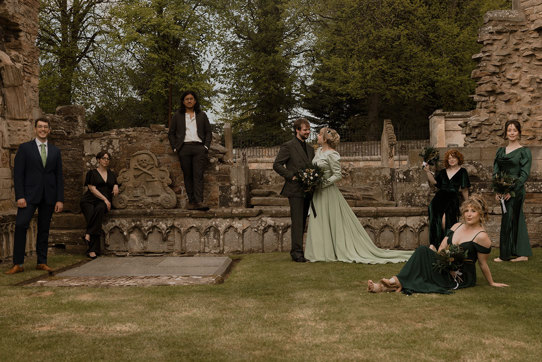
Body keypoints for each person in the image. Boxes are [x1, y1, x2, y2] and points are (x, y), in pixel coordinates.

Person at [305, 127, 413, 263]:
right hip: (317, 193)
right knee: (319, 221)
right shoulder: (318, 151)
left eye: (320, 134)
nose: (317, 137)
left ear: (325, 138)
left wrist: (322, 183)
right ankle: (319, 253)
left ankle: (332, 251)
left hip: (327, 192)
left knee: (330, 220)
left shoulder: (333, 154)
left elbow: (337, 175)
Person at [367, 195, 509, 294]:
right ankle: (385, 285)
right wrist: (437, 257)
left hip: (460, 276)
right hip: (446, 267)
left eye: (473, 211)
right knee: (423, 251)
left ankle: (390, 283)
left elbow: (483, 264)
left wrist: (491, 282)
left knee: (422, 260)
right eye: (466, 211)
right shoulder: (456, 226)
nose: (469, 214)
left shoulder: (482, 237)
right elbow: (442, 248)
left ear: (481, 214)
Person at [5, 117, 64, 275]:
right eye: (40, 127)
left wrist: (59, 199)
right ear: (35, 129)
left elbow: (59, 176)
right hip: (28, 196)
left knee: (44, 229)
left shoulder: (55, 151)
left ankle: (42, 262)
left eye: (46, 127)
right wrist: (20, 196)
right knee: (20, 225)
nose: (43, 129)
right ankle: (18, 263)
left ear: (49, 130)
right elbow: (18, 174)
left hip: (49, 196)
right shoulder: (25, 148)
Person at [273, 118, 315, 262]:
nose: (308, 132)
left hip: (308, 189)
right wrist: (291, 176)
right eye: (305, 130)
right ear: (297, 130)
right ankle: (296, 253)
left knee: (303, 222)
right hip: (295, 189)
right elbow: (277, 165)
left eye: (309, 129)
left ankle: (302, 251)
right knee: (297, 222)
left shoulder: (310, 149)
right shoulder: (288, 146)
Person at [493, 120, 532, 262]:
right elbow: (495, 172)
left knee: (510, 218)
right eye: (509, 130)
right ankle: (521, 253)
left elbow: (524, 174)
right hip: (502, 190)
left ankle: (505, 255)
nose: (512, 133)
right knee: (511, 217)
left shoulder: (524, 152)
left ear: (519, 132)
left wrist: (512, 190)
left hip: (516, 190)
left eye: (514, 130)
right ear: (505, 133)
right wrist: (498, 190)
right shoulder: (500, 151)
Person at [168, 91, 212, 211]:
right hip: (184, 148)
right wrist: (175, 147)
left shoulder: (202, 115)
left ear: (195, 101)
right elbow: (171, 133)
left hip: (199, 148)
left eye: (191, 98)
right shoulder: (178, 115)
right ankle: (191, 202)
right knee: (188, 176)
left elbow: (208, 132)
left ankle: (199, 202)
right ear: (183, 102)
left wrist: (206, 147)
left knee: (198, 175)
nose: (189, 101)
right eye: (186, 99)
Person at [424, 149, 470, 249]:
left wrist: (468, 203)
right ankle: (433, 245)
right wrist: (427, 172)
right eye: (449, 158)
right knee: (435, 221)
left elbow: (464, 189)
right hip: (438, 199)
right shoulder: (443, 171)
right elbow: (435, 183)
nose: (451, 160)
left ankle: (446, 244)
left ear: (458, 159)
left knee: (446, 222)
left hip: (452, 200)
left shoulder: (462, 172)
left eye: (453, 157)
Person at [80, 151, 119, 259]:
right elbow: (92, 189)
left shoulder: (111, 174)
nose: (106, 160)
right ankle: (92, 250)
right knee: (93, 216)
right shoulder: (92, 173)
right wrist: (106, 199)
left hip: (101, 203)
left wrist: (115, 186)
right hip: (89, 200)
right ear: (98, 160)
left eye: (108, 159)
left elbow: (114, 182)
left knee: (99, 210)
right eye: (103, 158)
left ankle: (87, 234)